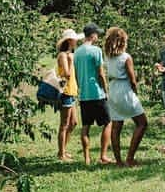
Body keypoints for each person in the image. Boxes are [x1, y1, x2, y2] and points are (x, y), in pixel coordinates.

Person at [103, 27, 148, 167]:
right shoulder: (126, 57)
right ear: (122, 41)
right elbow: (132, 78)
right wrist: (135, 90)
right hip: (124, 88)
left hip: (113, 88)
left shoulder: (108, 57)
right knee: (142, 123)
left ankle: (118, 161)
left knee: (116, 126)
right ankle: (130, 157)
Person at [73, 23, 113, 165]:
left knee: (85, 127)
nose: (98, 36)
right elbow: (101, 74)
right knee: (108, 123)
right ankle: (103, 156)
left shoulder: (77, 52)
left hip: (84, 95)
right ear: (93, 35)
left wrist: (80, 89)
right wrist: (106, 90)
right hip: (97, 93)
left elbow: (76, 74)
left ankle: (87, 159)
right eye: (97, 34)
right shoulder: (96, 50)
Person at [55, 28, 83, 161]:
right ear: (70, 41)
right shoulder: (63, 55)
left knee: (74, 123)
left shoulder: (69, 54)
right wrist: (71, 61)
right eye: (75, 40)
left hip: (72, 92)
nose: (77, 42)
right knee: (64, 124)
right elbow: (66, 74)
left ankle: (63, 150)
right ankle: (61, 153)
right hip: (65, 93)